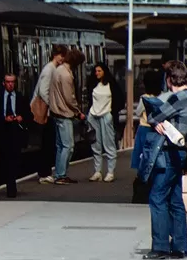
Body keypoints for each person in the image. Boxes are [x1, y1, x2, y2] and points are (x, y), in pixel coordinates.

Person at [137, 60, 187, 260]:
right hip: (180, 152)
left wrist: (155, 121)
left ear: (170, 79)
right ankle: (179, 247)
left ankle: (161, 247)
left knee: (157, 197)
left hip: (169, 153)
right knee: (175, 200)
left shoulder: (177, 98)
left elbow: (154, 116)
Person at [0, 73, 32, 198]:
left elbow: (29, 115)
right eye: (8, 82)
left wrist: (21, 117)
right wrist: (3, 119)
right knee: (4, 160)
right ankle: (10, 185)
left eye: (12, 82)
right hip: (2, 132)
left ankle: (11, 187)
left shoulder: (20, 97)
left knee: (14, 160)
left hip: (16, 132)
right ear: (3, 83)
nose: (10, 84)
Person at [49, 48, 86, 185]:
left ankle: (59, 173)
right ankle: (61, 175)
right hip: (64, 113)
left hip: (56, 112)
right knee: (68, 146)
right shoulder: (66, 75)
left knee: (60, 146)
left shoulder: (58, 70)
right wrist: (78, 112)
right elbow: (69, 97)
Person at [31, 44, 67, 184]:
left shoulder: (51, 69)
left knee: (48, 142)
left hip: (48, 111)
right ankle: (44, 172)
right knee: (47, 143)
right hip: (46, 111)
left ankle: (45, 171)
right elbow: (43, 91)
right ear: (55, 55)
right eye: (61, 56)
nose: (62, 59)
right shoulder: (49, 70)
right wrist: (53, 106)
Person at [86, 62, 124, 182]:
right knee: (95, 144)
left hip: (106, 116)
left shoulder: (111, 84)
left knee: (109, 144)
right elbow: (89, 99)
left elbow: (120, 99)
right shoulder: (93, 84)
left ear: (104, 72)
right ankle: (97, 171)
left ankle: (110, 171)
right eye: (96, 71)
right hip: (93, 116)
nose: (97, 73)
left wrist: (112, 113)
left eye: (99, 71)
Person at [131, 70, 163, 203]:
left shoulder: (144, 97)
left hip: (144, 129)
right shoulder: (161, 97)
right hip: (155, 130)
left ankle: (142, 189)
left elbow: (138, 112)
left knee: (142, 158)